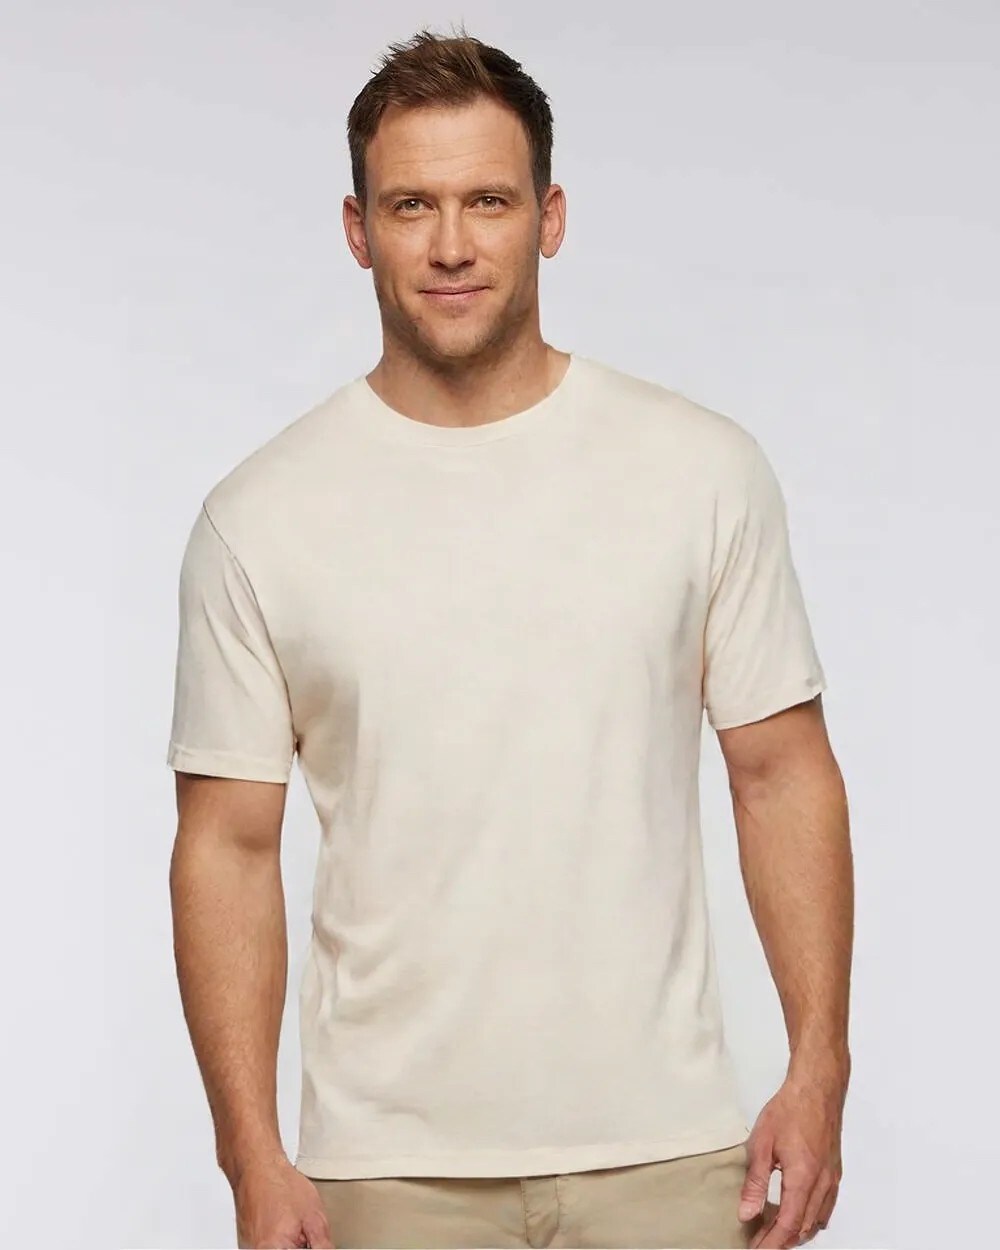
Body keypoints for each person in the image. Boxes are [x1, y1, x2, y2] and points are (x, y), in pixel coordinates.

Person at [166, 27, 853, 1250]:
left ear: (550, 216)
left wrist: (819, 1065)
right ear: (356, 228)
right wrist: (249, 1153)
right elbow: (226, 843)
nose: (450, 244)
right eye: (410, 205)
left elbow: (779, 770)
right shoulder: (260, 518)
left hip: (666, 1154)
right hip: (386, 1172)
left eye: (487, 200)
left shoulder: (698, 471)